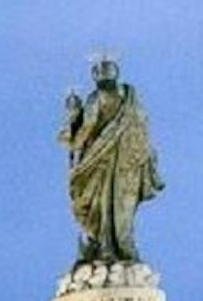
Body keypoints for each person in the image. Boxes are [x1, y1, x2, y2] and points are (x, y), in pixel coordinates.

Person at [57, 57, 163, 264]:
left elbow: (87, 127)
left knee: (101, 205)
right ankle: (122, 246)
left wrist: (72, 136)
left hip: (100, 162)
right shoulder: (132, 100)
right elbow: (143, 132)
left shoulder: (98, 98)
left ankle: (106, 246)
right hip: (127, 165)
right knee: (122, 207)